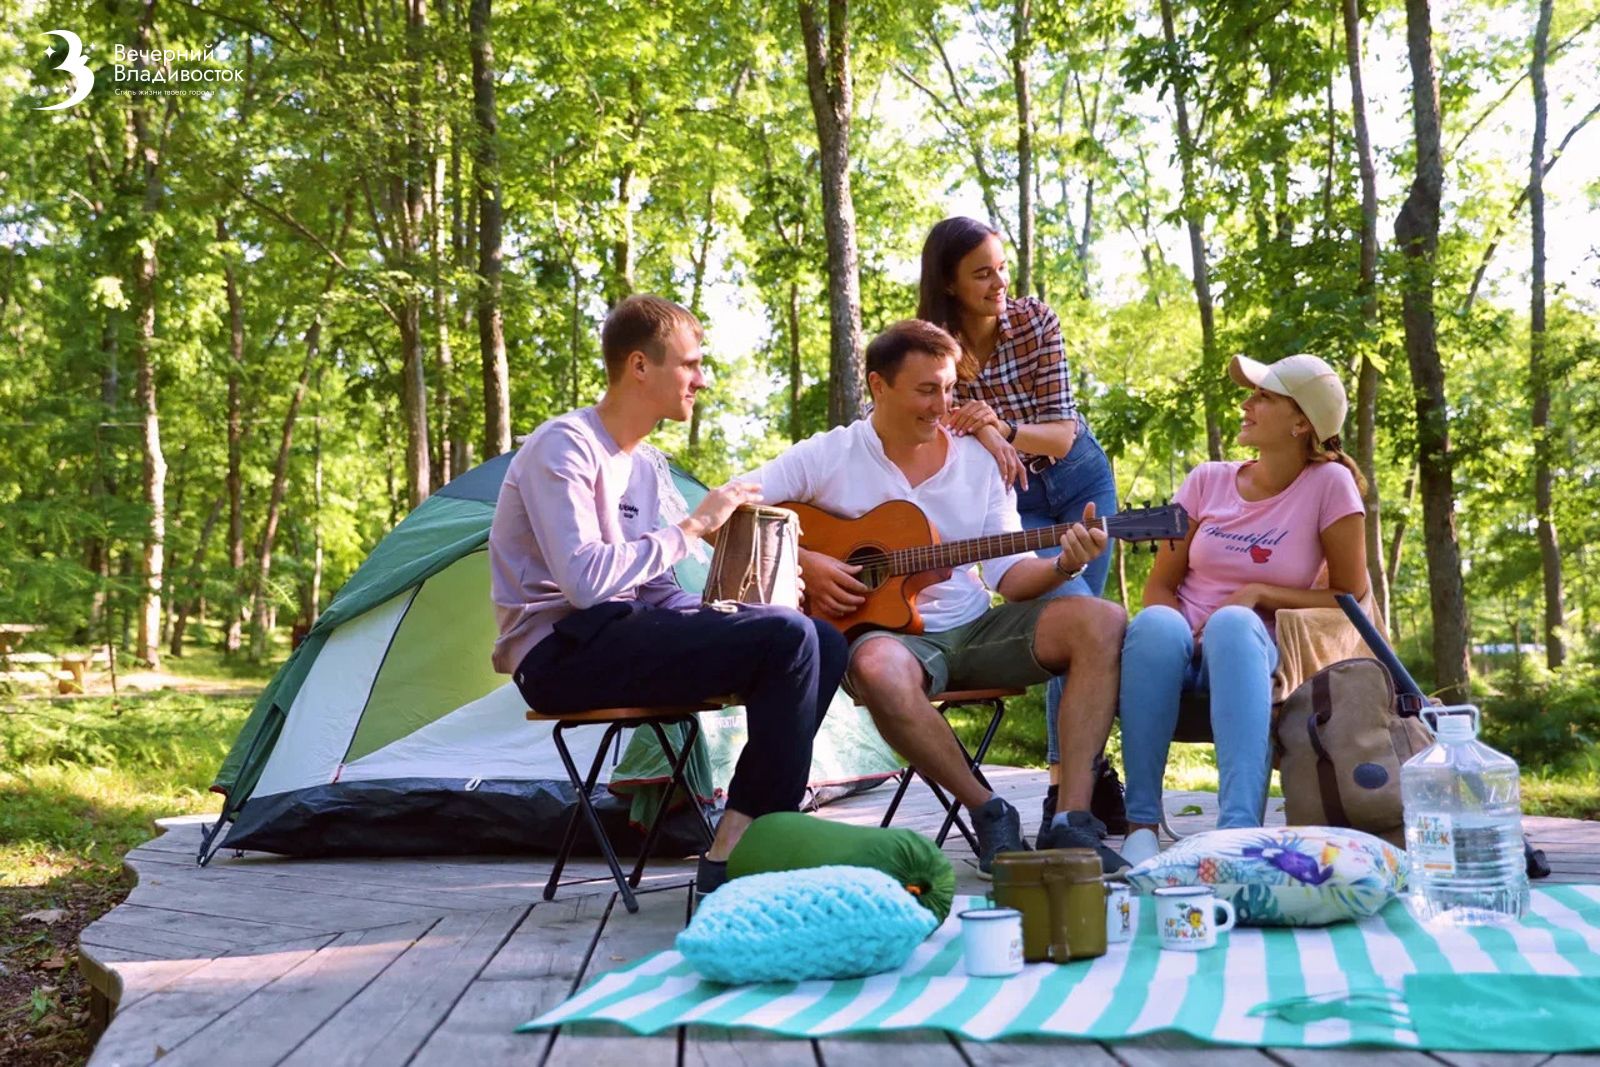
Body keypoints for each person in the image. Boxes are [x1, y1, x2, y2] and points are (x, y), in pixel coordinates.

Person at [489, 294, 848, 900]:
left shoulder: (648, 467)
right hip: (558, 654)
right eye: (689, 364)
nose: (700, 380)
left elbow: (657, 594)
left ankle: (739, 834)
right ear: (639, 367)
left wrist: (729, 618)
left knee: (820, 638)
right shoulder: (565, 447)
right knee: (786, 639)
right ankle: (749, 854)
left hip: (625, 633)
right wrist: (694, 527)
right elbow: (583, 583)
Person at [743, 319, 1129, 875]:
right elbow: (726, 508)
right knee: (875, 665)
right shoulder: (830, 454)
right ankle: (989, 811)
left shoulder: (979, 458)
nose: (942, 404)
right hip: (889, 639)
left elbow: (1009, 577)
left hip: (973, 627)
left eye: (949, 389)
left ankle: (1072, 820)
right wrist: (809, 562)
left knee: (1102, 619)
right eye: (927, 390)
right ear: (879, 386)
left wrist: (1064, 563)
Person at [916, 217, 1125, 843]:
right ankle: (1082, 782)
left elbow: (1059, 436)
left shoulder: (1034, 321)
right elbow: (935, 422)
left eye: (1001, 267)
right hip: (1019, 498)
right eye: (982, 273)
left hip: (1080, 476)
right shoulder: (933, 347)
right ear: (949, 284)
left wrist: (994, 426)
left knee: (1086, 624)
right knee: (1065, 604)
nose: (999, 282)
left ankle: (1070, 786)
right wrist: (980, 427)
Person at [1117, 353, 1369, 867]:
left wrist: (1258, 593)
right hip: (1178, 649)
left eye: (1264, 397)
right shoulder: (1206, 480)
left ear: (1302, 422)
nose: (1247, 404)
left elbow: (1350, 599)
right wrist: (1184, 634)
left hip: (1257, 656)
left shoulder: (1329, 486)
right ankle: (1140, 826)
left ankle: (1237, 834)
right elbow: (1159, 586)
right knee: (1155, 622)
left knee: (1235, 622)